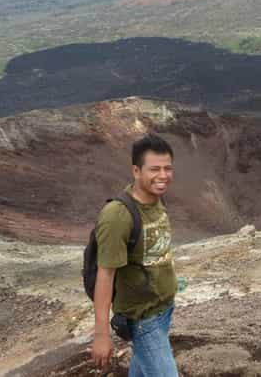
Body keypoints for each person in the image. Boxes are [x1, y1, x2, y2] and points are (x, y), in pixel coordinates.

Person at [92, 133, 180, 376]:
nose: (163, 176)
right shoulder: (118, 216)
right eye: (154, 169)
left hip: (164, 309)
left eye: (168, 168)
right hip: (143, 320)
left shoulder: (156, 199)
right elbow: (105, 275)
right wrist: (101, 335)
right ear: (136, 171)